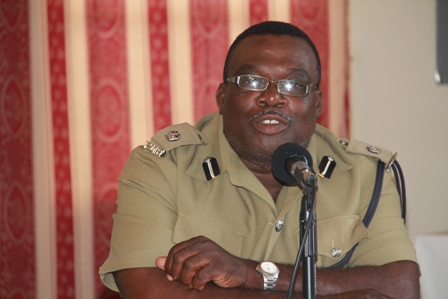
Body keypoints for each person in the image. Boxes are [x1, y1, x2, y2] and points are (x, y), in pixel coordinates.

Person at [99, 21, 420, 298]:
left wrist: (254, 274)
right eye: (252, 81)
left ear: (317, 102)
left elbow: (401, 288)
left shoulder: (364, 171)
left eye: (294, 84)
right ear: (222, 97)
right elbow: (147, 291)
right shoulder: (163, 164)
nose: (272, 97)